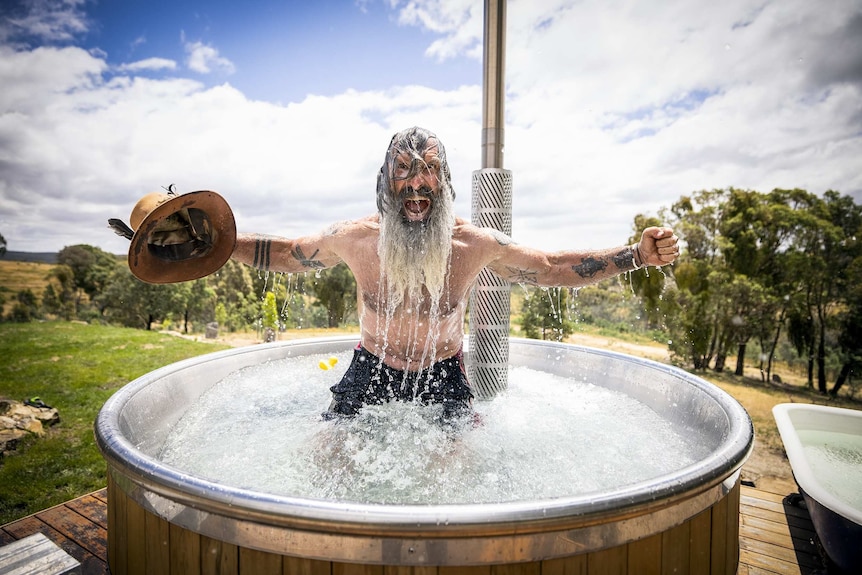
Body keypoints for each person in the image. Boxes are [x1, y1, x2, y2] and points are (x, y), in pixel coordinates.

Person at [229, 126, 680, 420]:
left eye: (429, 170)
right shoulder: (355, 238)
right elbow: (288, 254)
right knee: (327, 465)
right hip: (371, 368)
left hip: (443, 373)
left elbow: (551, 267)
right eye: (403, 170)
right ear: (386, 181)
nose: (416, 182)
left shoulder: (472, 245)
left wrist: (635, 255)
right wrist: (221, 244)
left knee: (457, 482)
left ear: (444, 183)